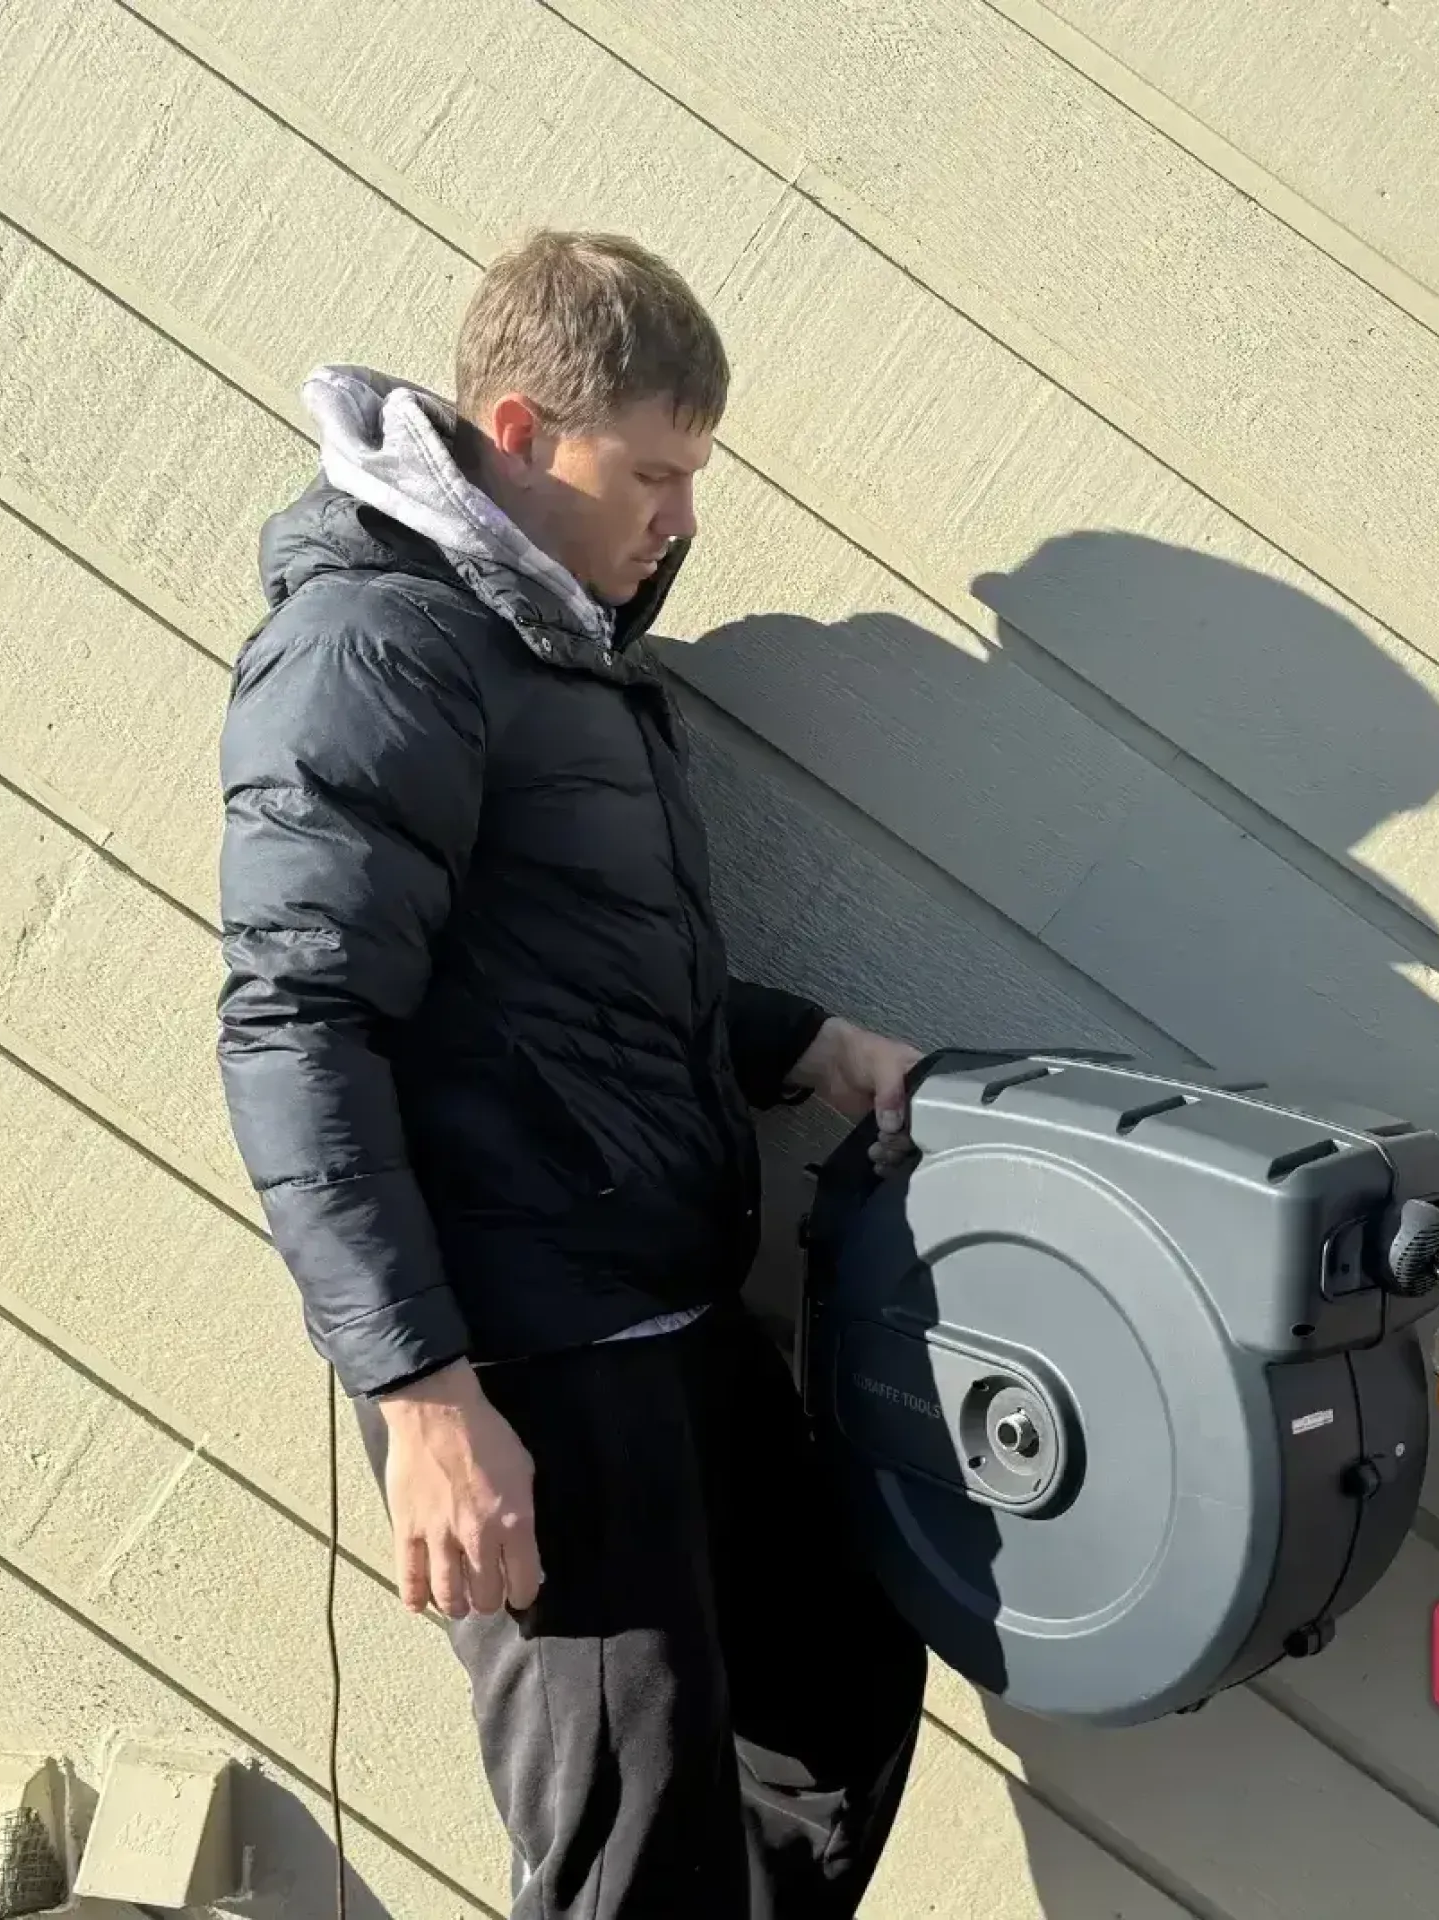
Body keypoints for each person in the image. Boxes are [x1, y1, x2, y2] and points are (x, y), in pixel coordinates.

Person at [213, 229, 931, 1918]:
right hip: (529, 1365)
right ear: (524, 432)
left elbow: (575, 974)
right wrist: (425, 1401)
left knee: (833, 1691)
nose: (683, 518)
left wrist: (801, 1044)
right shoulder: (376, 653)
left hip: (675, 1318)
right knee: (631, 1857)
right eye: (658, 473)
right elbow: (297, 1030)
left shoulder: (559, 650)